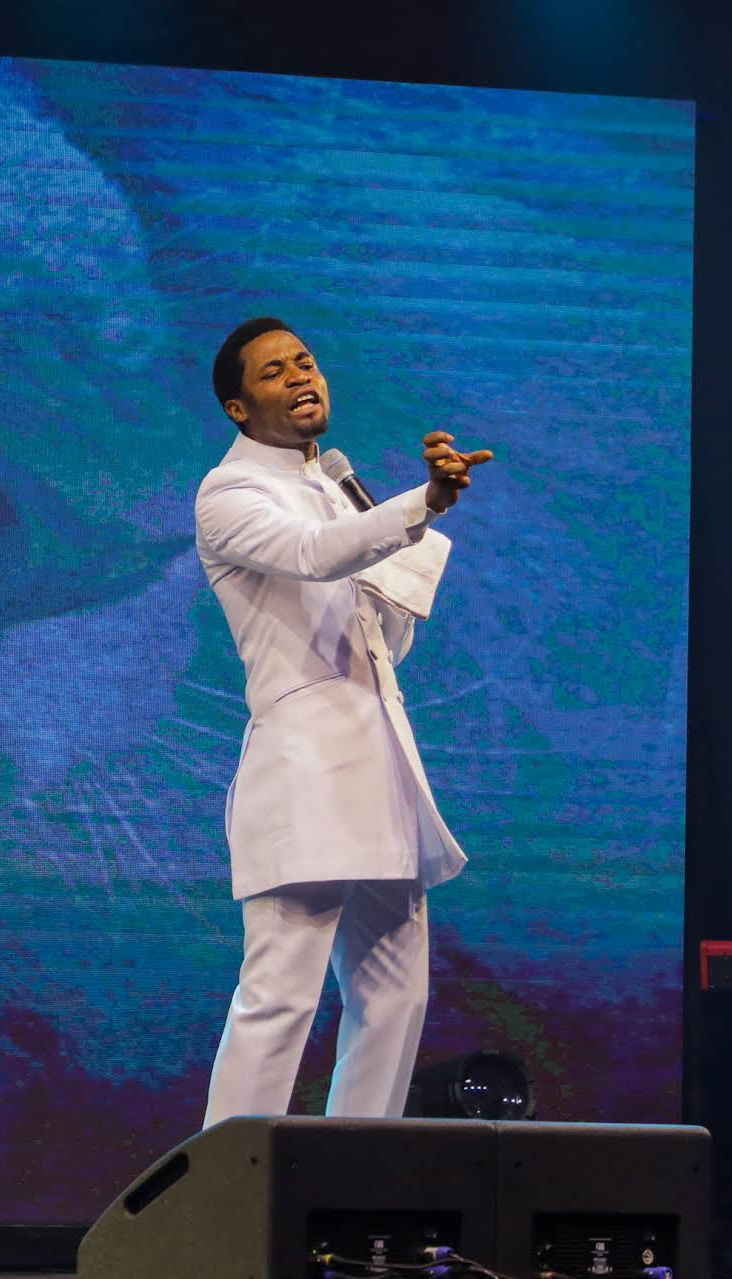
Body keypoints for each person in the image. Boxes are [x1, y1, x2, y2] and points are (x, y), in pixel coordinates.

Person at [195, 316, 492, 1126]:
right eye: (273, 373)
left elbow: (381, 637)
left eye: (307, 362)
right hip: (303, 774)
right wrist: (422, 503)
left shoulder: (334, 484)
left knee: (395, 999)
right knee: (281, 998)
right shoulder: (229, 493)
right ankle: (227, 1206)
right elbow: (317, 554)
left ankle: (355, 1196)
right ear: (236, 406)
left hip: (382, 767)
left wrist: (407, 535)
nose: (300, 378)